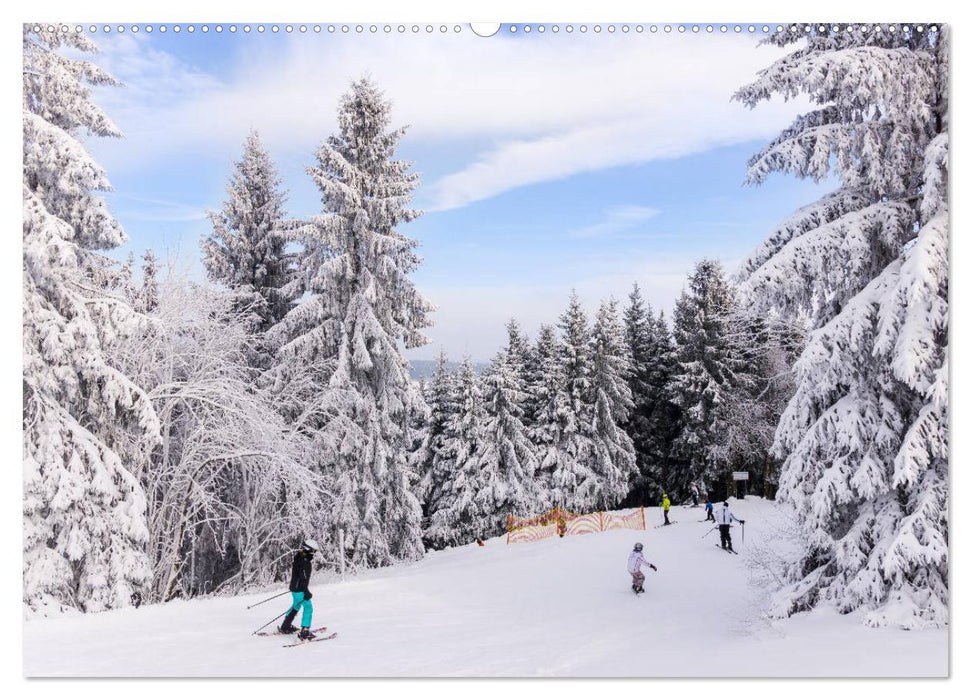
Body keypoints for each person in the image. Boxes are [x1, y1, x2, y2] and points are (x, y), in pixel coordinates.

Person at [279, 539, 319, 639]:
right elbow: (303, 578)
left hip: (294, 588)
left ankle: (286, 626)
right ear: (308, 550)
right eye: (313, 551)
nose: (314, 554)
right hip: (300, 589)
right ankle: (305, 631)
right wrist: (306, 591)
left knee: (296, 606)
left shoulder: (298, 557)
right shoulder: (305, 562)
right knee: (308, 607)